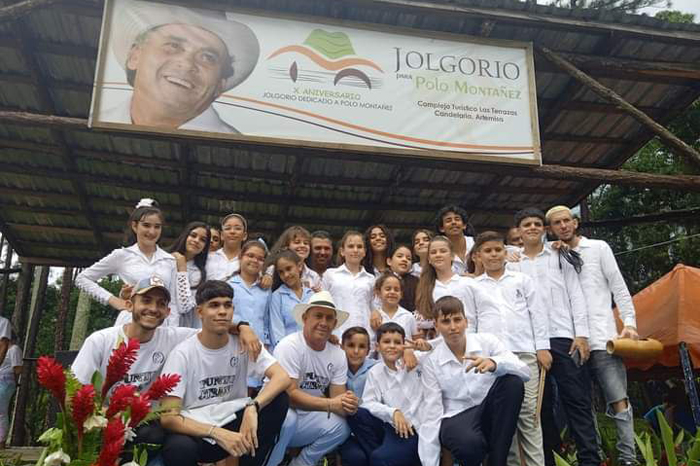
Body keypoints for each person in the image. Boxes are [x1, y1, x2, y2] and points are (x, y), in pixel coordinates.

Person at [71, 276, 262, 454]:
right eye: (146, 301)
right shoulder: (101, 341)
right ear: (129, 305)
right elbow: (72, 395)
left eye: (161, 304)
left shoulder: (174, 337)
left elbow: (213, 325)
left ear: (168, 312)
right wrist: (108, 415)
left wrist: (243, 327)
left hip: (149, 424)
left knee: (161, 437)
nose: (153, 308)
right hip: (104, 422)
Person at [159, 280, 289, 466]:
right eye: (214, 305)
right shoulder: (182, 354)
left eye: (227, 305)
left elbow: (282, 376)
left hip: (233, 420)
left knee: (279, 399)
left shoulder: (242, 343)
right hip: (199, 430)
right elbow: (169, 417)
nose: (222, 311)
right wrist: (215, 432)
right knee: (178, 447)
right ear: (200, 312)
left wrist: (254, 406)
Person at [547, 205, 638, 466]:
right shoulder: (552, 256)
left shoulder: (598, 248)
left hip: (602, 339)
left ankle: (628, 459)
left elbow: (619, 287)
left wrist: (629, 322)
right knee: (581, 406)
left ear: (575, 223)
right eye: (556, 223)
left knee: (618, 400)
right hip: (571, 342)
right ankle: (596, 459)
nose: (563, 226)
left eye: (566, 221)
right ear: (550, 230)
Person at [508, 207, 598, 466]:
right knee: (539, 407)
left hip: (562, 337)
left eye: (537, 224)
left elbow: (576, 294)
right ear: (519, 231)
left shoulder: (560, 255)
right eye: (527, 224)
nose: (533, 228)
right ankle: (550, 459)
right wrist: (505, 252)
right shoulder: (512, 262)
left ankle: (589, 460)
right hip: (530, 341)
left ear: (544, 229)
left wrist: (581, 334)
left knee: (577, 401)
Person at [102, 0, 260, 133]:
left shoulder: (231, 150)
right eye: (173, 46)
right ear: (134, 56)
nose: (186, 64)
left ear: (220, 85)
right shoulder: (101, 120)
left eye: (208, 57)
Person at [421, 296, 529, 466]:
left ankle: (497, 462)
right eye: (446, 322)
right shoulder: (432, 362)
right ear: (436, 325)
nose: (453, 327)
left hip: (489, 410)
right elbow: (432, 412)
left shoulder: (487, 341)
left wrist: (495, 364)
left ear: (466, 321)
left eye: (457, 320)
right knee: (469, 444)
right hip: (456, 417)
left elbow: (524, 371)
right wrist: (430, 462)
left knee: (512, 382)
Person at [473, 231, 550, 466]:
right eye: (488, 251)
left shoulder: (522, 281)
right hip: (492, 360)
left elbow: (538, 315)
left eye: (498, 250)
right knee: (505, 417)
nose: (494, 254)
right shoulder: (473, 286)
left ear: (506, 253)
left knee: (529, 415)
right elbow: (472, 323)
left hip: (524, 354)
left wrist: (542, 348)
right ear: (478, 256)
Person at [269, 291, 357, 466]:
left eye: (329, 318)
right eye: (318, 316)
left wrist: (350, 404)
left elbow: (337, 399)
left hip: (307, 417)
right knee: (288, 418)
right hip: (276, 417)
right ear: (305, 318)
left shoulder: (338, 354)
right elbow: (289, 396)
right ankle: (272, 462)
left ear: (335, 323)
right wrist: (332, 404)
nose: (323, 323)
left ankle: (301, 463)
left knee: (342, 426)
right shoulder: (290, 346)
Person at [75, 199, 181, 326]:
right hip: (129, 323)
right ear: (135, 226)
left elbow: (173, 302)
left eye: (157, 227)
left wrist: (171, 331)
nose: (152, 232)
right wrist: (113, 300)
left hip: (159, 325)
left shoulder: (169, 260)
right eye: (146, 225)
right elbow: (82, 278)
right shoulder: (122, 255)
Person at [346, 323, 430, 466]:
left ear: (404, 345)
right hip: (395, 427)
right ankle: (387, 455)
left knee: (381, 459)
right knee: (356, 413)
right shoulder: (376, 371)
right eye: (386, 342)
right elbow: (368, 402)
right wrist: (393, 412)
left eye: (397, 342)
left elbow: (438, 351)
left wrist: (425, 347)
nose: (392, 346)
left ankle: (391, 457)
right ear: (377, 346)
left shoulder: (417, 360)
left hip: (417, 429)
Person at [415, 235, 500, 332]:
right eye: (433, 252)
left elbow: (488, 312)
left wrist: (480, 338)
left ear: (452, 256)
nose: (438, 255)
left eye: (443, 251)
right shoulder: (425, 288)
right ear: (429, 259)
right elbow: (421, 321)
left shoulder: (468, 283)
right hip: (439, 344)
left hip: (470, 341)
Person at [228, 240, 272, 384]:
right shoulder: (228, 285)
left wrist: (265, 344)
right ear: (241, 256)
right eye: (250, 255)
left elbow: (265, 320)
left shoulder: (266, 290)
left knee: (253, 391)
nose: (255, 260)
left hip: (258, 349)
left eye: (260, 259)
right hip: (233, 345)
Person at [321, 231, 375, 338]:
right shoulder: (330, 275)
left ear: (364, 252)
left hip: (364, 335)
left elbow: (374, 308)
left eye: (359, 247)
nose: (355, 250)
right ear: (342, 251)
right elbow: (323, 305)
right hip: (336, 334)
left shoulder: (371, 279)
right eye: (351, 246)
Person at [339, 327, 379, 466]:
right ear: (341, 347)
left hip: (371, 429)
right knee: (355, 458)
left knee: (375, 457)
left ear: (368, 350)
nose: (356, 351)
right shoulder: (337, 369)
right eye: (350, 345)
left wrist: (408, 352)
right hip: (347, 432)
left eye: (362, 347)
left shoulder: (377, 368)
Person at [167, 221, 210, 328]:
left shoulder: (198, 274)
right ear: (185, 236)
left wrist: (182, 269)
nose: (196, 241)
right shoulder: (164, 258)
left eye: (202, 240)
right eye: (193, 235)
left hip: (177, 326)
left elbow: (184, 306)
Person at [268, 250, 314, 349]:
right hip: (287, 351)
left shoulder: (311, 295)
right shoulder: (277, 296)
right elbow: (276, 329)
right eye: (281, 272)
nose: (286, 275)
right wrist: (284, 351)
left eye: (289, 269)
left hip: (310, 351)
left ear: (300, 266)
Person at [263, 226, 321, 291]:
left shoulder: (314, 276)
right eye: (297, 242)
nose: (302, 245)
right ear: (286, 247)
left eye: (306, 243)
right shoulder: (272, 270)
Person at [370, 272, 419, 342]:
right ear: (379, 293)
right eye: (388, 289)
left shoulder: (408, 316)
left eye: (396, 290)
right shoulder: (374, 317)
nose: (392, 292)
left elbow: (415, 340)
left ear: (401, 294)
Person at [434, 205, 475, 275]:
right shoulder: (438, 251)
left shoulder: (476, 243)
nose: (453, 222)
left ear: (464, 225)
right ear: (441, 228)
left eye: (457, 219)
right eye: (448, 220)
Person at [207, 213, 248, 281]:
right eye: (228, 228)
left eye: (237, 228)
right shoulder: (209, 257)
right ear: (222, 235)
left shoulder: (248, 261)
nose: (232, 232)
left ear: (244, 236)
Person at [0, 332, 21, 448]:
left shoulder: (14, 349)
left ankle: (1, 441)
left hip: (6, 381)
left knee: (1, 412)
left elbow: (17, 368)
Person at [386, 244, 419, 313]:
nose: (404, 260)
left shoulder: (417, 282)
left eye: (408, 258)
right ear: (389, 261)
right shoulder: (382, 280)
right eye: (400, 256)